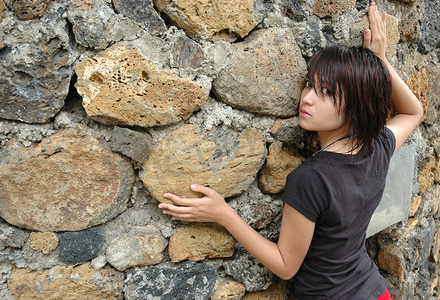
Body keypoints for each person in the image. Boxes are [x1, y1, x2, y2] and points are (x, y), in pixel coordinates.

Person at [158, 3, 424, 299]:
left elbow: (286, 266)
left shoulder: (312, 178)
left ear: (356, 105)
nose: (308, 98)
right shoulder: (376, 147)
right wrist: (380, 59)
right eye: (310, 84)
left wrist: (225, 215)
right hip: (375, 292)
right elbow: (413, 112)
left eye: (327, 92)